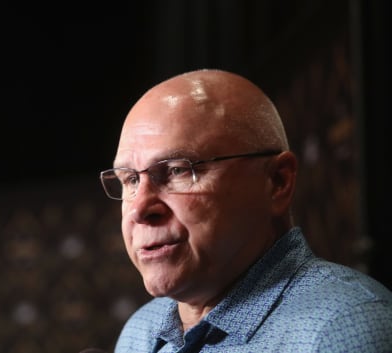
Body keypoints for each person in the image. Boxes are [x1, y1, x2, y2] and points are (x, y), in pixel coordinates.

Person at [99, 69, 392, 352]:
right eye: (132, 180)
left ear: (277, 181)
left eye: (177, 170)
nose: (139, 208)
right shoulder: (140, 332)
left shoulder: (345, 330)